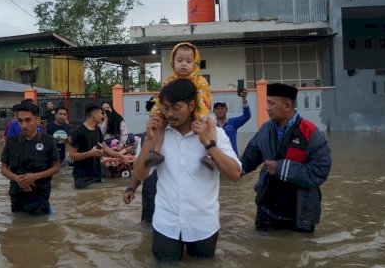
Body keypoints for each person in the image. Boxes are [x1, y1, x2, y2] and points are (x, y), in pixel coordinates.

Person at [134, 79, 241, 261]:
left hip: (203, 225)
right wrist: (148, 140)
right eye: (166, 108)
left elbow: (235, 174)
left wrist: (208, 144)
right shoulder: (158, 134)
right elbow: (140, 174)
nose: (170, 114)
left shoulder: (214, 133)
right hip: (166, 224)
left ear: (191, 105)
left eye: (176, 108)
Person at [240, 83, 332, 232]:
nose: (267, 108)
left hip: (300, 215)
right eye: (266, 103)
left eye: (271, 103)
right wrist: (221, 163)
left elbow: (320, 172)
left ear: (288, 105)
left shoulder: (311, 133)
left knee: (298, 251)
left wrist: (280, 168)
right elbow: (248, 160)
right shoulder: (266, 129)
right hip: (267, 211)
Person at [146, 42, 216, 170]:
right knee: (160, 124)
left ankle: (210, 155)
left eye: (188, 61)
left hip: (198, 114)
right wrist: (156, 114)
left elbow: (203, 100)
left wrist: (200, 117)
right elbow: (161, 99)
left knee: (211, 123)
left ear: (195, 63)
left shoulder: (200, 81)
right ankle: (155, 152)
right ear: (173, 62)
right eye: (180, 60)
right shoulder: (169, 81)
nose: (184, 64)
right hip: (174, 117)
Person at [0, 102, 61, 215]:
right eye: (20, 121)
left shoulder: (48, 141)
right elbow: (3, 168)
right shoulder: (11, 142)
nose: (23, 125)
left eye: (28, 120)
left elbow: (56, 167)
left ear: (37, 121)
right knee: (18, 226)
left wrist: (35, 177)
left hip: (40, 196)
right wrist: (18, 179)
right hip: (17, 197)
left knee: (41, 227)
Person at [68, 102, 128, 189]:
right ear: (94, 115)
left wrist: (120, 156)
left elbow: (106, 149)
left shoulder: (97, 129)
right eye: (101, 113)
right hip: (82, 177)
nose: (103, 116)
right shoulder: (78, 132)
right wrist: (90, 153)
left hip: (96, 174)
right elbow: (72, 155)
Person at [122, 96, 158, 223]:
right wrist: (131, 188)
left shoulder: (177, 136)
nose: (154, 111)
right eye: (151, 108)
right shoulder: (145, 137)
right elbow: (139, 166)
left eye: (158, 108)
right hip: (150, 195)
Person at [213, 89, 251, 156]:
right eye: (217, 108)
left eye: (222, 108)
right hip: (218, 159)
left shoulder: (233, 122)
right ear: (214, 111)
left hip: (233, 158)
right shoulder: (211, 124)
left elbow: (247, 116)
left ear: (226, 109)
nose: (220, 110)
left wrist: (244, 100)